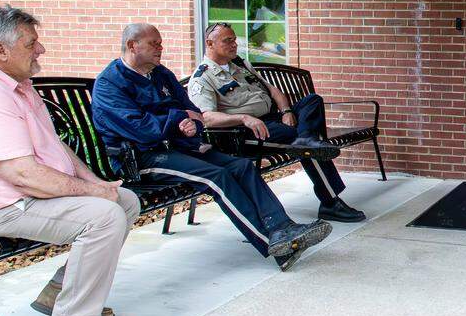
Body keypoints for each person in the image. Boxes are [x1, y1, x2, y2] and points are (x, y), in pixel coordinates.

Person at [91, 23, 330, 271]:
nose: (161, 48)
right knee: (217, 176)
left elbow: (194, 112)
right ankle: (273, 243)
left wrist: (193, 135)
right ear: (132, 45)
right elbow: (139, 128)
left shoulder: (161, 74)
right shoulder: (110, 83)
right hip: (143, 158)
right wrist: (178, 121)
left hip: (179, 147)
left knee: (241, 166)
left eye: (160, 43)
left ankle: (283, 227)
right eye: (155, 43)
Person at [0, 5, 138, 316]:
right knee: (105, 216)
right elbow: (21, 175)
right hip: (5, 206)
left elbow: (57, 148)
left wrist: (96, 183)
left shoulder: (19, 86)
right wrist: (94, 196)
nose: (41, 49)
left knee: (125, 201)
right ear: (1, 50)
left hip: (32, 195)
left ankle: (59, 292)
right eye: (31, 43)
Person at [187, 22, 366, 223]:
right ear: (210, 44)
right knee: (301, 140)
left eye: (234, 40)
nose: (234, 44)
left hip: (274, 119)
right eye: (227, 41)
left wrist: (287, 111)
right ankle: (330, 202)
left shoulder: (240, 64)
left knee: (312, 101)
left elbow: (274, 91)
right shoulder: (202, 78)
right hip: (246, 133)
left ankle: (307, 139)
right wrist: (244, 118)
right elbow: (206, 118)